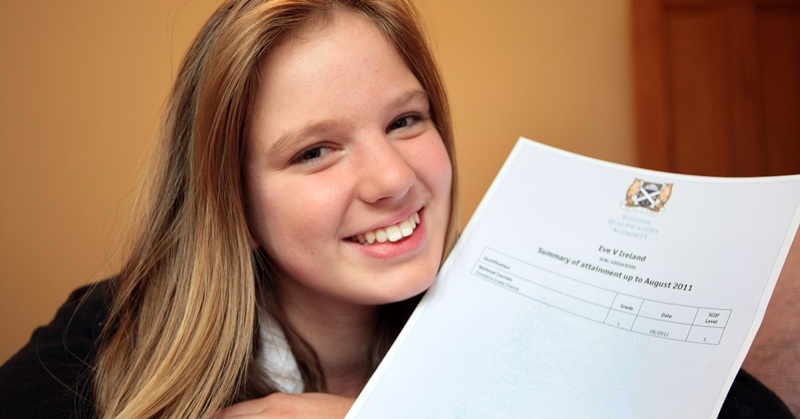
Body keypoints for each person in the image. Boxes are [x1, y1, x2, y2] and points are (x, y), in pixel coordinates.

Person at [0, 0, 793, 418]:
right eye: (315, 150)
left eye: (405, 120)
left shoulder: (532, 318)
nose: (391, 178)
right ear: (230, 203)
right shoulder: (107, 334)